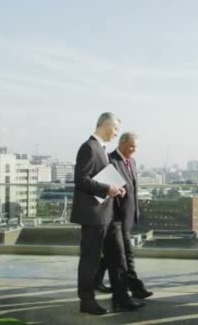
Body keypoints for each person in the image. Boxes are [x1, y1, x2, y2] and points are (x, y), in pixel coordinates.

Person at [70, 113, 144, 315]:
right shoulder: (89, 147)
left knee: (118, 257)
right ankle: (87, 301)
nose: (116, 133)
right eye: (116, 129)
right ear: (106, 125)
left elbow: (98, 179)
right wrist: (107, 189)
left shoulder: (101, 149)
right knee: (90, 259)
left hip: (109, 214)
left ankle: (121, 297)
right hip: (94, 216)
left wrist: (115, 189)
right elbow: (80, 180)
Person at [93, 132, 153, 299]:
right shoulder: (110, 160)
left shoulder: (132, 162)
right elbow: (103, 188)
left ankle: (95, 279)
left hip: (128, 214)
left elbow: (133, 189)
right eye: (132, 146)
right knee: (126, 253)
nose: (134, 150)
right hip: (115, 217)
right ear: (122, 144)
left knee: (114, 253)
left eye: (136, 147)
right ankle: (136, 288)